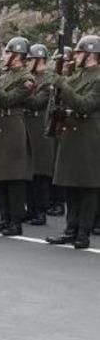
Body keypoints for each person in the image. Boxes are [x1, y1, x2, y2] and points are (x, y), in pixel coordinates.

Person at [46, 35, 100, 249]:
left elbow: (85, 105)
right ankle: (71, 229)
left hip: (89, 137)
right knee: (70, 185)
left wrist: (62, 85)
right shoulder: (76, 76)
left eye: (79, 52)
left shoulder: (97, 78)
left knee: (87, 188)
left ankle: (83, 233)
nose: (75, 56)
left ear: (90, 54)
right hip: (71, 134)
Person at [0, 37, 35, 237]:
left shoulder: (26, 79)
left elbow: (7, 99)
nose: (3, 56)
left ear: (17, 55)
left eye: (7, 52)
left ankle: (15, 221)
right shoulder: (4, 75)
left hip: (13, 128)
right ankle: (3, 219)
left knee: (13, 179)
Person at [23, 43, 57, 226]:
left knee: (40, 172)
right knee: (27, 170)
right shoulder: (29, 77)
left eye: (30, 59)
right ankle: (30, 208)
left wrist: (25, 91)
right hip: (26, 124)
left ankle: (41, 211)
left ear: (39, 59)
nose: (27, 63)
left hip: (41, 126)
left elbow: (38, 102)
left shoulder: (49, 79)